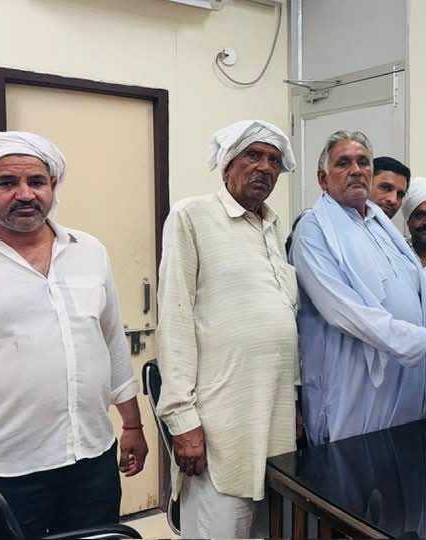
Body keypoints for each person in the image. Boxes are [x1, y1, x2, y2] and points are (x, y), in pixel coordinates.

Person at [0, 131, 147, 538]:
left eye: (36, 182)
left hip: (92, 458)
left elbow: (110, 340)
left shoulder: (89, 251)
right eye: (7, 182)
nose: (25, 194)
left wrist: (132, 425)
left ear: (52, 186)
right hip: (3, 469)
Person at [291, 130, 426, 444]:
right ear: (323, 178)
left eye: (363, 162)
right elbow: (346, 313)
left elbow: (417, 289)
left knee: (402, 461)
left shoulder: (379, 223)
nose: (356, 170)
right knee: (355, 465)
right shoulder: (313, 230)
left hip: (404, 372)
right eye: (343, 163)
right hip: (354, 380)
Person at [155, 120, 299, 538]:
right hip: (220, 423)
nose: (265, 167)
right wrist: (182, 420)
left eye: (273, 160)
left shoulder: (273, 227)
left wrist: (294, 402)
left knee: (267, 530)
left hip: (275, 417)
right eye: (253, 155)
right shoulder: (192, 215)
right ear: (227, 164)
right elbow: (175, 320)